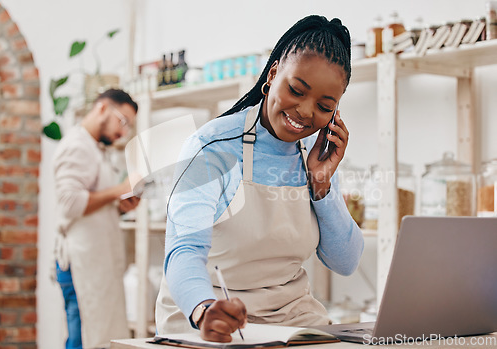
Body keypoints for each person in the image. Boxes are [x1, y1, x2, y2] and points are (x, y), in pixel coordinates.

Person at [155, 15, 364, 342]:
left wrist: (321, 185)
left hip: (290, 315)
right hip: (214, 313)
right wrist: (203, 309)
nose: (307, 112)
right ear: (273, 74)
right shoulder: (213, 147)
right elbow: (184, 250)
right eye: (296, 90)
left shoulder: (314, 154)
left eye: (324, 106)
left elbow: (346, 261)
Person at [53, 89, 140, 349]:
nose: (123, 132)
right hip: (79, 263)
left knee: (96, 337)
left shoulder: (95, 148)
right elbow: (69, 203)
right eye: (122, 122)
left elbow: (91, 204)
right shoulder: (77, 146)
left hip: (94, 260)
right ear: (102, 108)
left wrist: (121, 206)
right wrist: (120, 188)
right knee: (82, 338)